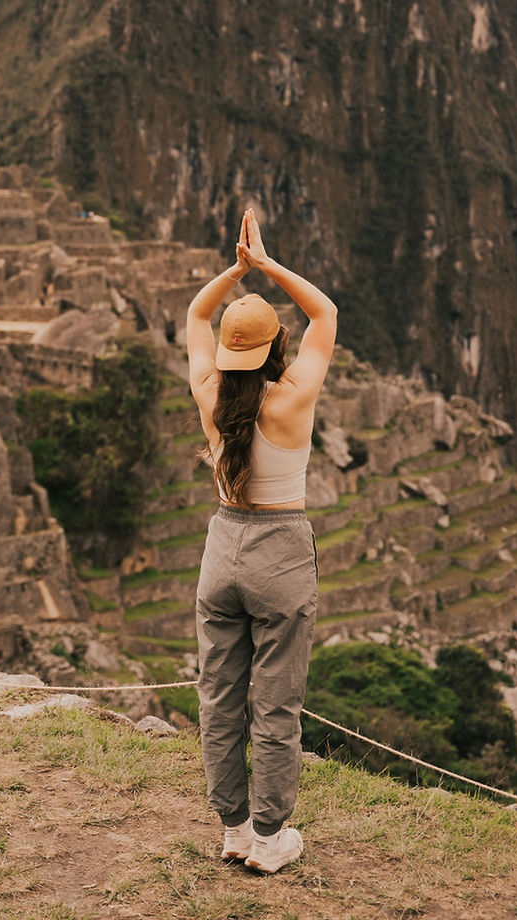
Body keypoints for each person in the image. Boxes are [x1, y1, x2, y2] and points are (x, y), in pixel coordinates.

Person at [186, 208, 336, 876]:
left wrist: (234, 271)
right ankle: (272, 838)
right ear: (275, 350)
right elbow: (326, 314)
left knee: (219, 695)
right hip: (278, 550)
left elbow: (194, 317)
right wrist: (267, 265)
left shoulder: (208, 390)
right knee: (275, 701)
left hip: (223, 549)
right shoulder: (293, 396)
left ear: (226, 352)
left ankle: (233, 828)